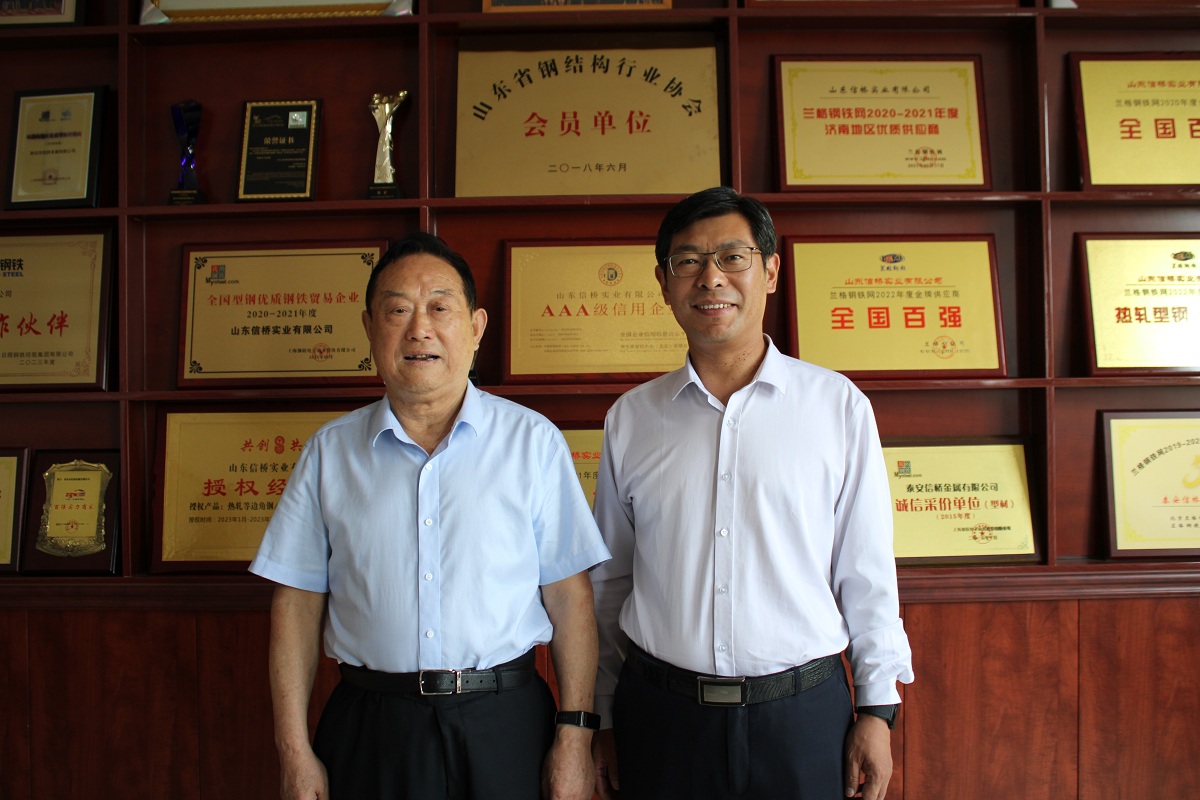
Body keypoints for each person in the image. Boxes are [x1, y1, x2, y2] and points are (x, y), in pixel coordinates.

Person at [250, 231, 611, 800]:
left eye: (440, 308)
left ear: (477, 327)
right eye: (397, 310)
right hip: (372, 725)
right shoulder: (330, 453)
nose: (419, 329)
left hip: (507, 723)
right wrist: (293, 751)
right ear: (369, 328)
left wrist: (575, 736)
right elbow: (296, 604)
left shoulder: (532, 442)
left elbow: (570, 597)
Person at [589, 187, 914, 800]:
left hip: (802, 718)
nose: (711, 278)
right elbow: (610, 584)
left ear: (770, 272)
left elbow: (866, 572)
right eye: (688, 261)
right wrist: (602, 714)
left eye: (732, 257)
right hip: (661, 718)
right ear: (663, 283)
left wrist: (877, 708)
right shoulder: (631, 418)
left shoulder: (838, 407)